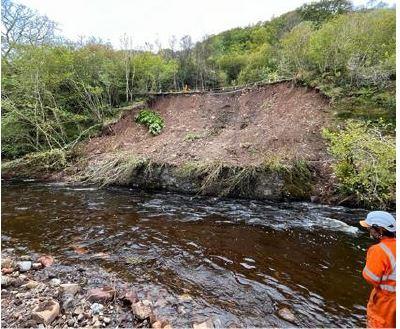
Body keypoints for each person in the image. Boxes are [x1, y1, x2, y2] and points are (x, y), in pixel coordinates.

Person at [360, 211, 396, 328]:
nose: (369, 231)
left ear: (379, 230)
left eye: (370, 228)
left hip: (386, 305)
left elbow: (371, 278)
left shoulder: (378, 250)